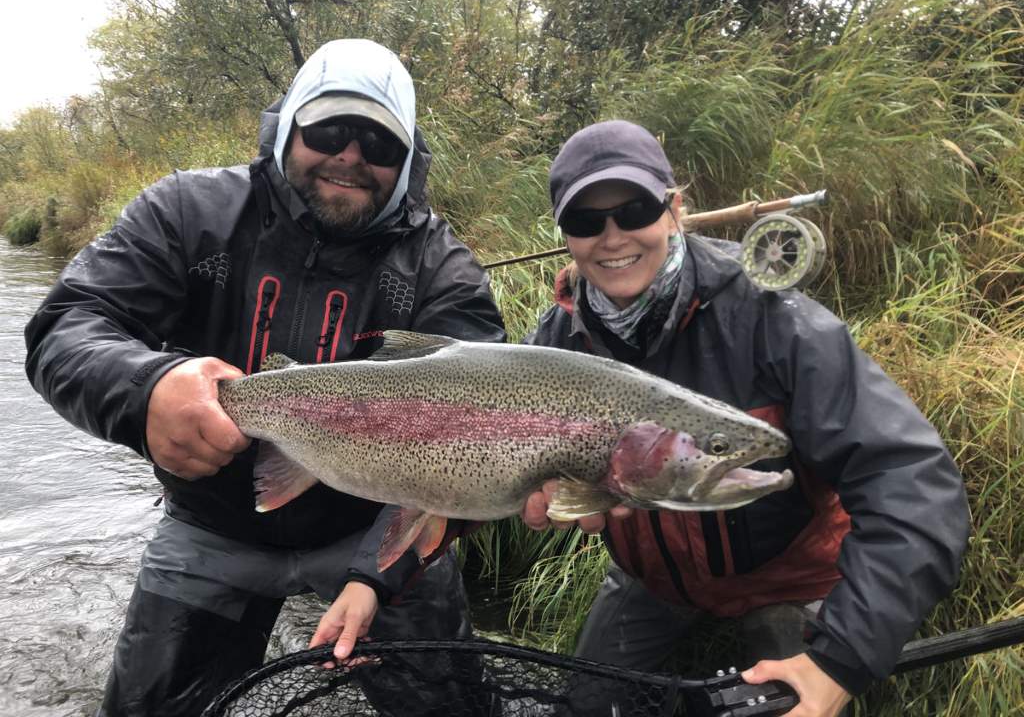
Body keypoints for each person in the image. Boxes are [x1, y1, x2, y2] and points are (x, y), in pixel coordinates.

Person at [24, 38, 505, 717]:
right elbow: (68, 323)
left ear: (405, 163)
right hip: (210, 527)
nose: (350, 155)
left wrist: (377, 574)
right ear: (288, 128)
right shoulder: (189, 214)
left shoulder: (440, 267)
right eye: (329, 130)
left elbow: (480, 436)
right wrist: (147, 388)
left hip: (373, 529)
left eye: (378, 144)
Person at [519, 120, 970, 717]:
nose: (612, 236)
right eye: (585, 221)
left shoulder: (775, 321)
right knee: (582, 708)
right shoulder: (553, 348)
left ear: (674, 209)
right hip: (653, 583)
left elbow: (913, 485)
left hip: (791, 580)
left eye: (634, 209)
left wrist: (840, 661)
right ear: (565, 237)